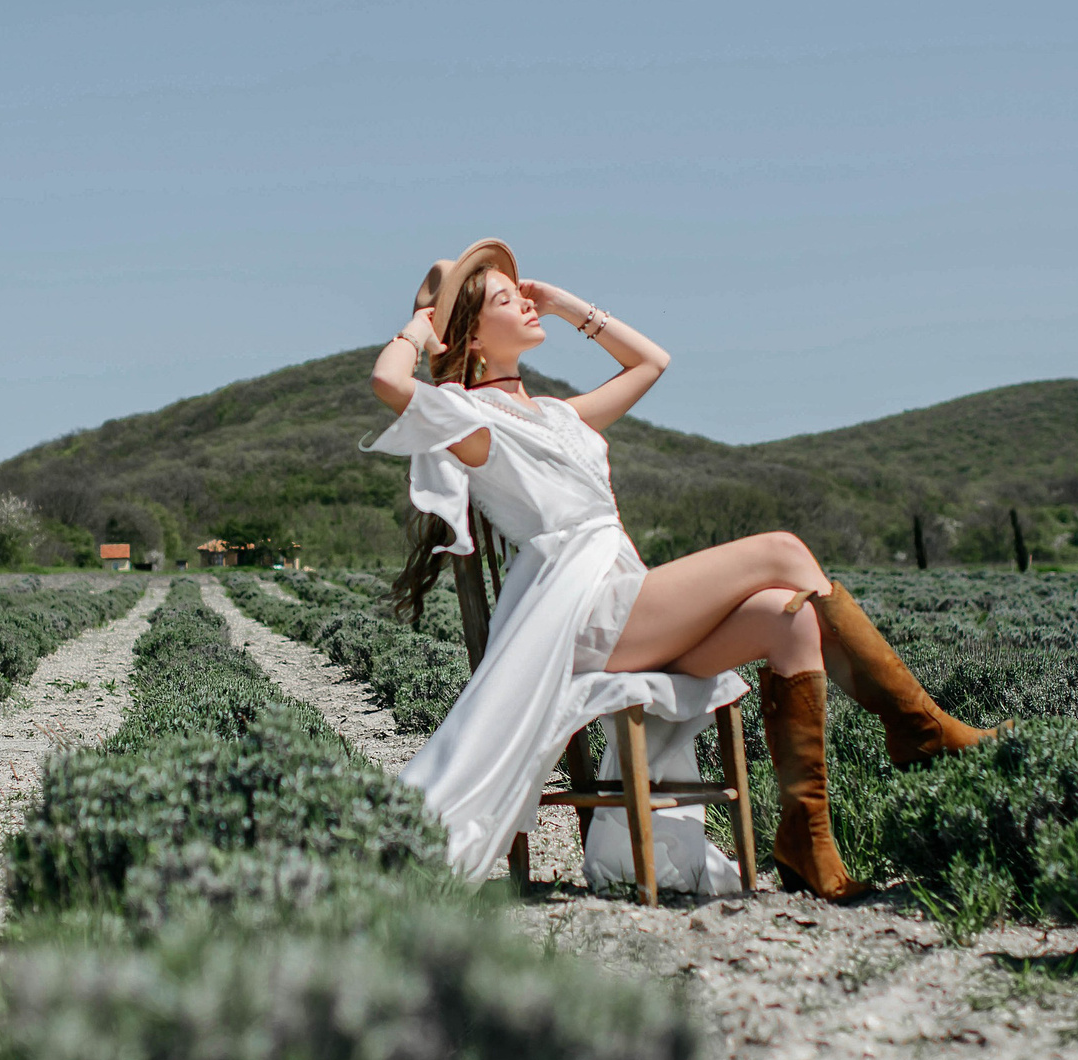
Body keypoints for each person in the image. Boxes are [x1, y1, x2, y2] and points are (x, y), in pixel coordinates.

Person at [365, 238, 999, 899]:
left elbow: (652, 361)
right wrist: (420, 330)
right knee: (782, 548)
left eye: (525, 295)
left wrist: (566, 304)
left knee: (792, 621)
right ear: (469, 340)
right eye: (508, 299)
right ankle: (920, 728)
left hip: (623, 596)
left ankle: (807, 845)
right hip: (582, 613)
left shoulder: (558, 416)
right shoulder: (472, 419)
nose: (528, 304)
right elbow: (390, 382)